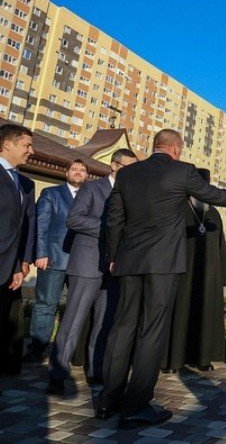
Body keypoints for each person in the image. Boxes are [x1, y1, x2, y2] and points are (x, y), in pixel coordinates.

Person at [98, 129, 226, 429]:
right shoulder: (181, 171)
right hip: (163, 264)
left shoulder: (127, 175)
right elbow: (211, 194)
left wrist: (114, 256)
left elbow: (114, 220)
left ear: (154, 146)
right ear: (175, 149)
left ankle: (108, 401)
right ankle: (135, 407)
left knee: (122, 328)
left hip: (128, 262)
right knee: (151, 331)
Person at [47, 149, 138, 395]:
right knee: (74, 319)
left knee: (104, 321)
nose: (132, 173)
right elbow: (74, 220)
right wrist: (111, 228)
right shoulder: (92, 188)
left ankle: (95, 371)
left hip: (114, 267)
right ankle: (58, 372)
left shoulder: (131, 194)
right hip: (87, 262)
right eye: (128, 167)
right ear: (114, 166)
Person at [162, 168, 226, 373]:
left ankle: (202, 359)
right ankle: (173, 361)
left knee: (205, 317)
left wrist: (222, 275)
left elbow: (221, 245)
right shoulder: (178, 209)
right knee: (179, 315)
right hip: (182, 273)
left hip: (208, 277)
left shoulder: (214, 214)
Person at [25, 159, 88, 362]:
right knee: (46, 304)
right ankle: (37, 347)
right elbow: (41, 225)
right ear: (66, 172)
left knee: (75, 307)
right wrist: (40, 253)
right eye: (74, 169)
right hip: (53, 259)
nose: (78, 172)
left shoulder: (90, 196)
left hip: (81, 262)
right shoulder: (51, 194)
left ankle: (66, 350)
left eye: (82, 170)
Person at [0, 124, 36, 389]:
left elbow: (23, 225)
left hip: (8, 268)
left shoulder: (23, 182)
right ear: (7, 144)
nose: (31, 151)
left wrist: (20, 263)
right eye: (26, 145)